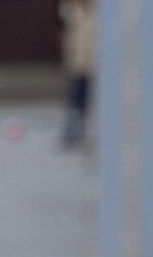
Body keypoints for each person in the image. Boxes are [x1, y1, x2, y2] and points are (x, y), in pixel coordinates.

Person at [59, 0, 92, 149]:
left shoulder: (97, 15)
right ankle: (73, 135)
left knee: (87, 102)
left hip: (93, 67)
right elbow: (72, 42)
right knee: (76, 101)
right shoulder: (75, 12)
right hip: (78, 67)